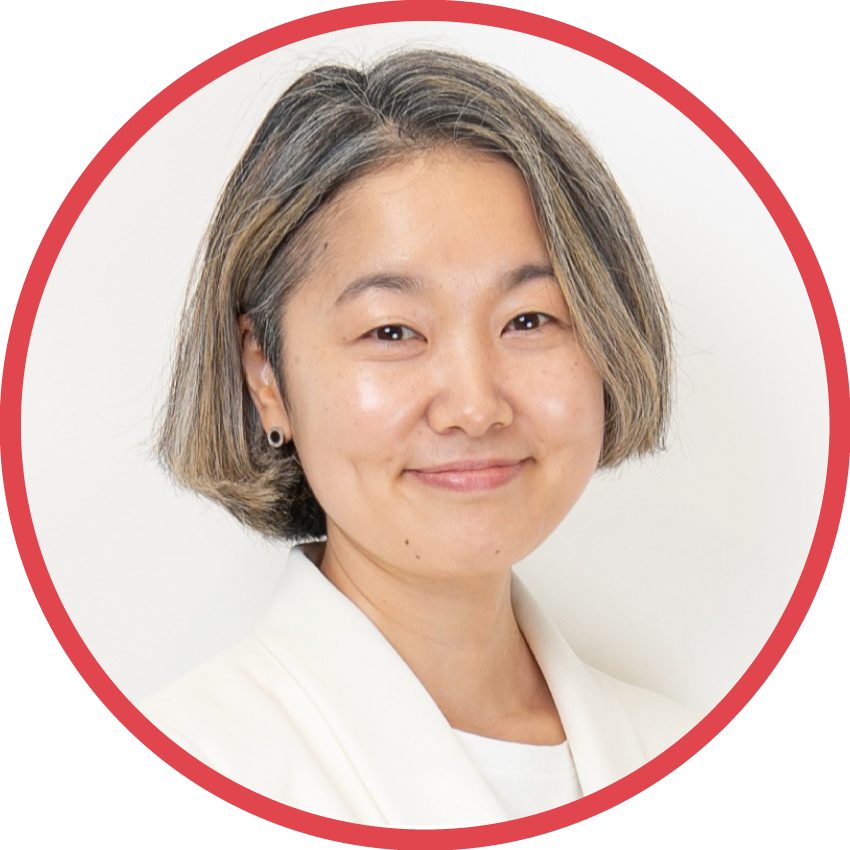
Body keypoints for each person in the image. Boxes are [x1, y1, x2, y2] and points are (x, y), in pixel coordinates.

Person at [144, 48, 698, 826]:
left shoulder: (673, 738)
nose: (475, 408)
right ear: (265, 372)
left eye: (529, 320)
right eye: (392, 331)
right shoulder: (199, 753)